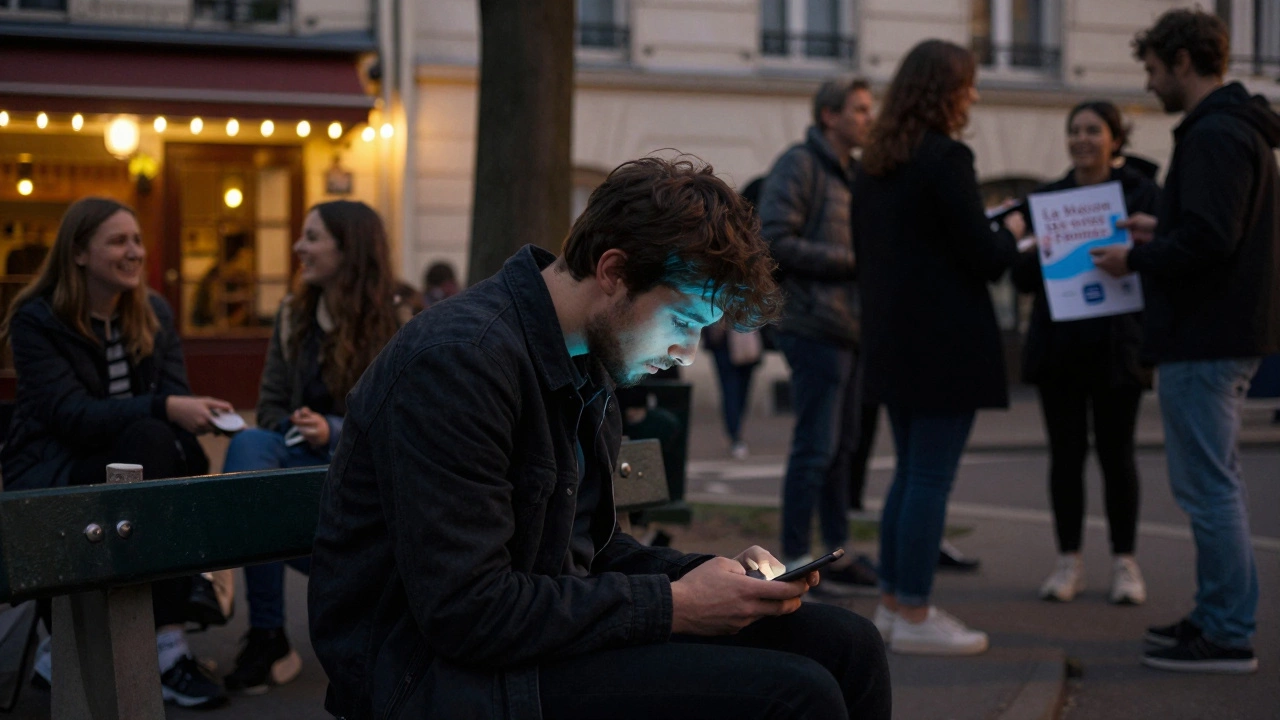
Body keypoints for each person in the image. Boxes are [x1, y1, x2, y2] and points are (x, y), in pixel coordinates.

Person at [308, 157, 891, 720]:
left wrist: (706, 576)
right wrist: (677, 606)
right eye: (683, 320)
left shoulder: (587, 360)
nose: (686, 352)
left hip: (522, 642)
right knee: (795, 696)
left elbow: (589, 553)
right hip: (432, 675)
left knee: (849, 647)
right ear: (613, 272)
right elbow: (466, 611)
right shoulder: (460, 362)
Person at [1091, 9, 1278, 674]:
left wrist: (1133, 260)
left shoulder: (1214, 135)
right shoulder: (1232, 128)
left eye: (1151, 68)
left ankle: (1227, 632)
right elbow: (1205, 227)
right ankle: (1215, 615)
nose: (1149, 82)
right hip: (1220, 331)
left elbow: (1209, 240)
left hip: (1206, 336)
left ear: (1181, 60)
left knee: (1209, 489)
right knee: (1213, 484)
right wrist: (1157, 224)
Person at [0, 197, 232, 708]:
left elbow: (171, 398)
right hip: (56, 469)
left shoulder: (153, 312)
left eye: (137, 241)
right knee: (153, 442)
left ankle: (147, 643)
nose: (134, 252)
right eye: (118, 241)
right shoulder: (38, 319)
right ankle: (152, 643)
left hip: (135, 466)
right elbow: (71, 416)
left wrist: (183, 411)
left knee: (168, 449)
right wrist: (167, 405)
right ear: (79, 253)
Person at [853, 39, 1025, 656]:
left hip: (894, 342)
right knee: (928, 479)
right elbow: (981, 255)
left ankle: (897, 603)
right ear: (945, 91)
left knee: (909, 476)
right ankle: (917, 612)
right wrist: (1009, 232)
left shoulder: (873, 162)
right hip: (946, 344)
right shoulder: (947, 158)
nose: (974, 96)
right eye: (968, 85)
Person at [220, 200, 408, 694]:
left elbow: (404, 419)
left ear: (348, 248)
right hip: (297, 461)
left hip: (366, 478)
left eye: (312, 236)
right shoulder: (292, 313)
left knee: (257, 493)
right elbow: (269, 407)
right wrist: (298, 424)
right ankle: (266, 632)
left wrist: (335, 429)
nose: (299, 247)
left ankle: (264, 624)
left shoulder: (399, 316)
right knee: (250, 444)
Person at [1012, 100, 1162, 605]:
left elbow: (1159, 263)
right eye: (1074, 130)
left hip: (1119, 347)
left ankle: (1125, 563)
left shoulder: (1141, 195)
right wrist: (1036, 251)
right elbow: (1023, 279)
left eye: (1092, 130)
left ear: (1115, 139)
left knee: (1118, 456)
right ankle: (1067, 561)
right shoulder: (1047, 199)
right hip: (1061, 349)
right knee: (1066, 457)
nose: (1081, 139)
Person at [759, 77, 879, 595]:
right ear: (829, 116)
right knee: (815, 449)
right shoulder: (799, 163)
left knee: (843, 449)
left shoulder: (855, 174)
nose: (868, 120)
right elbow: (774, 240)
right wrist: (857, 262)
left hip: (849, 328)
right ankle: (798, 560)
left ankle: (835, 554)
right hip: (812, 326)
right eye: (859, 110)